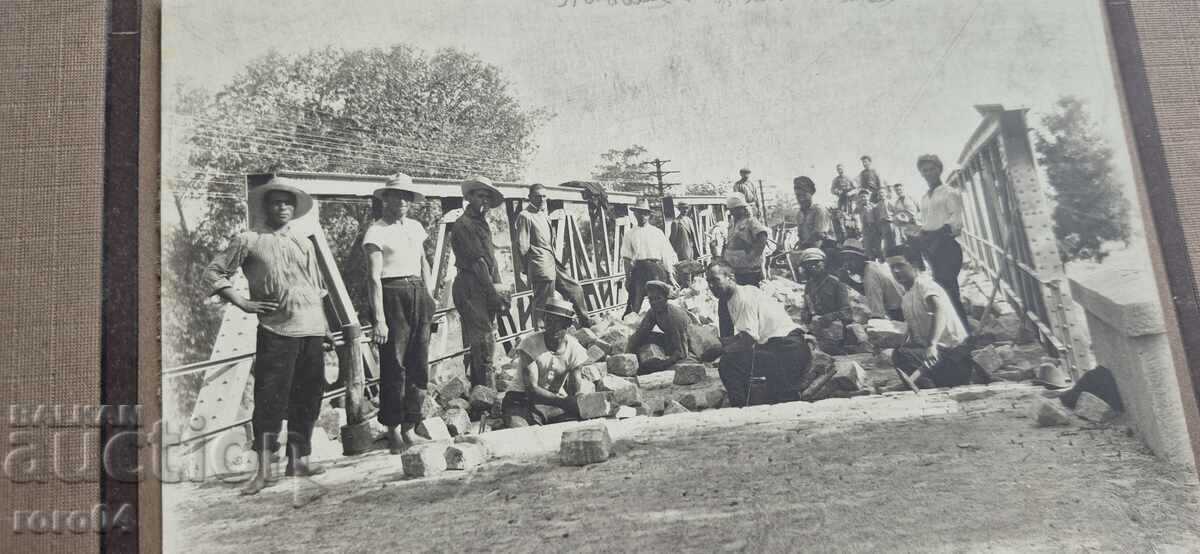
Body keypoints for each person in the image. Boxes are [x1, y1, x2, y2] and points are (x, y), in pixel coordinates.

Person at [203, 179, 333, 495]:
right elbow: (213, 273)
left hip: (312, 329)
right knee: (269, 400)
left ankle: (298, 462)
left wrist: (326, 327)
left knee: (308, 398)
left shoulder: (304, 243)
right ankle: (262, 471)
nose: (283, 208)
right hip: (277, 330)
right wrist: (243, 303)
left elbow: (316, 288)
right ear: (266, 207)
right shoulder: (249, 240)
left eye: (287, 203)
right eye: (276, 203)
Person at [363, 174, 436, 454]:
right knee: (395, 365)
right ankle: (393, 429)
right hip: (392, 295)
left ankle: (410, 426)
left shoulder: (416, 227)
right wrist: (379, 319)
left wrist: (429, 296)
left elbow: (424, 263)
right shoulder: (376, 231)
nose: (403, 201)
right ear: (386, 199)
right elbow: (373, 278)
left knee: (419, 362)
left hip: (418, 292)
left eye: (407, 196)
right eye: (397, 196)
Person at [699, 260, 812, 407]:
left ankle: (740, 407)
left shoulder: (744, 298)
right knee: (737, 358)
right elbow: (742, 336)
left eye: (715, 280)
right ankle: (752, 399)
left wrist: (720, 350)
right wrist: (718, 344)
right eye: (709, 282)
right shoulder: (728, 300)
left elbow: (747, 341)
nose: (711, 286)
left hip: (788, 350)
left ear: (730, 278)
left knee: (728, 363)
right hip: (775, 347)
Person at [886, 244, 988, 389]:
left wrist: (932, 344)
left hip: (955, 356)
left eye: (900, 265)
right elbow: (915, 330)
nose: (896, 271)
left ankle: (934, 381)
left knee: (903, 355)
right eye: (892, 268)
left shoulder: (925, 284)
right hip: (936, 358)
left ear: (914, 263)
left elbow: (939, 310)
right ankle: (923, 381)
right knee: (900, 352)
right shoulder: (907, 296)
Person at [450, 176, 511, 390]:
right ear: (469, 197)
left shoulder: (481, 223)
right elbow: (478, 263)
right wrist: (493, 292)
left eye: (487, 196)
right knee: (484, 339)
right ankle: (488, 393)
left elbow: (491, 260)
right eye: (479, 195)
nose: (484, 200)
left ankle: (479, 392)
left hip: (483, 285)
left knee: (483, 338)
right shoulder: (464, 225)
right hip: (470, 285)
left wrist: (499, 288)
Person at [502, 296, 597, 427]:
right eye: (548, 321)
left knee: (576, 427)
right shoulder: (530, 343)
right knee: (520, 432)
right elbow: (532, 390)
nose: (550, 326)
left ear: (567, 325)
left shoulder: (574, 348)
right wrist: (565, 402)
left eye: (556, 322)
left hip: (552, 402)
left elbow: (575, 387)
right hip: (520, 399)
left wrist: (578, 400)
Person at [515, 183, 593, 330]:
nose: (541, 199)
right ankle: (540, 337)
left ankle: (586, 323)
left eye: (544, 196)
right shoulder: (525, 216)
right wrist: (530, 269)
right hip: (540, 266)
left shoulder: (542, 214)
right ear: (529, 197)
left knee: (575, 289)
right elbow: (522, 247)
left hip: (553, 263)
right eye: (537, 196)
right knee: (543, 305)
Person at [913, 154, 969, 327]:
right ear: (921, 173)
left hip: (946, 246)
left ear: (939, 170)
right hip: (930, 248)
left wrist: (935, 235)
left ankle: (965, 330)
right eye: (925, 170)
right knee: (939, 288)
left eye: (932, 169)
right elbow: (926, 222)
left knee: (950, 289)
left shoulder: (950, 192)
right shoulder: (924, 197)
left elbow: (956, 221)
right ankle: (953, 328)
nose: (928, 173)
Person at [625, 280, 699, 374]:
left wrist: (663, 364)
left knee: (655, 365)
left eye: (658, 298)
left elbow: (681, 352)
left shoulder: (674, 316)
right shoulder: (653, 312)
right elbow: (640, 333)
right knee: (645, 337)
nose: (654, 302)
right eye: (651, 299)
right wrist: (628, 354)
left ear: (666, 298)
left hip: (687, 342)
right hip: (670, 338)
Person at [621, 197, 678, 316]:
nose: (642, 216)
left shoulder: (657, 232)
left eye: (645, 213)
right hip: (639, 270)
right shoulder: (629, 234)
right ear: (635, 214)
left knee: (660, 304)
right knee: (633, 306)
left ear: (649, 215)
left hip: (656, 269)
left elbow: (666, 254)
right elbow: (626, 258)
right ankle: (627, 329)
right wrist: (627, 278)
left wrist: (670, 275)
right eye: (639, 213)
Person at [837, 238, 905, 321]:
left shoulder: (870, 276)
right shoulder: (871, 265)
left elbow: (878, 314)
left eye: (851, 259)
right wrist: (849, 281)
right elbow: (867, 290)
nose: (847, 264)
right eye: (845, 260)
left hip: (900, 312)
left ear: (861, 258)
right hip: (900, 304)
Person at [785, 176, 835, 279]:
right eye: (798, 195)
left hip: (825, 248)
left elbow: (819, 236)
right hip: (809, 248)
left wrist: (806, 254)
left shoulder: (819, 210)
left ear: (811, 194)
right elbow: (801, 237)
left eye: (804, 195)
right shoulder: (799, 214)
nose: (801, 198)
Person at [722, 194, 770, 286]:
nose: (732, 213)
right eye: (730, 210)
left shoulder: (751, 221)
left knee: (750, 295)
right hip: (736, 268)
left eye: (734, 210)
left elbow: (762, 237)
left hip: (750, 270)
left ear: (742, 209)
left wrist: (753, 256)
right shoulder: (732, 223)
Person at [798, 248, 851, 325]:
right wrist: (807, 315)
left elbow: (847, 312)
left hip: (836, 329)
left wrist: (830, 317)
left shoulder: (837, 283)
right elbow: (806, 308)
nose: (813, 267)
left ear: (824, 263)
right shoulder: (809, 285)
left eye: (816, 263)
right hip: (816, 328)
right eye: (809, 264)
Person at [669, 201, 701, 285]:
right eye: (683, 208)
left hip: (691, 251)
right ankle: (685, 290)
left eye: (687, 208)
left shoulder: (689, 220)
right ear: (679, 209)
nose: (685, 210)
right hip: (682, 252)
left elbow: (693, 236)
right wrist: (673, 253)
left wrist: (695, 249)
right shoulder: (676, 222)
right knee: (685, 274)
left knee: (693, 273)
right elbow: (672, 240)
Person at [857, 188, 883, 261]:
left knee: (879, 248)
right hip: (865, 229)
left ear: (868, 197)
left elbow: (878, 218)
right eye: (861, 197)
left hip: (875, 228)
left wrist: (879, 230)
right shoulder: (858, 208)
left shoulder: (874, 206)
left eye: (865, 196)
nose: (863, 198)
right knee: (868, 249)